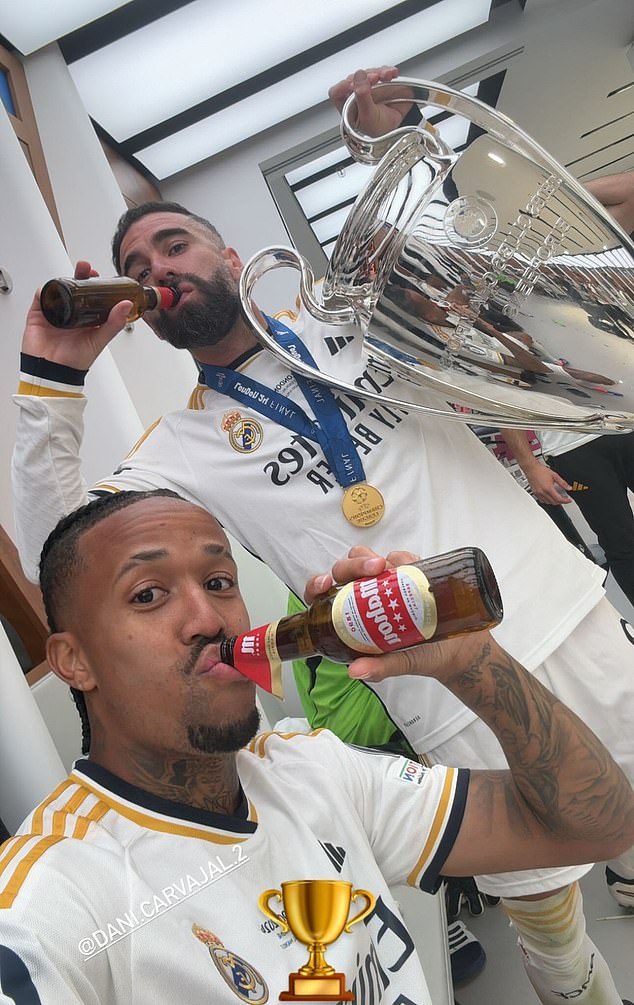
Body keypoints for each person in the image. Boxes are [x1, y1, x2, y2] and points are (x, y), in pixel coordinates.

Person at [10, 66, 634, 1004]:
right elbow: (65, 546)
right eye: (139, 273)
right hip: (445, 679)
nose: (159, 272)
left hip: (565, 610)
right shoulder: (176, 447)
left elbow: (457, 254)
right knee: (547, 915)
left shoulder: (355, 317)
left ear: (227, 252)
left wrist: (376, 143)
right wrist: (47, 387)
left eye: (173, 245)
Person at [1, 490, 633, 1005]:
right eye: (148, 594)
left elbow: (596, 828)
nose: (210, 618)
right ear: (73, 661)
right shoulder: (63, 888)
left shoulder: (310, 767)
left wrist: (472, 661)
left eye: (220, 581)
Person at [500, 427, 634, 607]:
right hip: (571, 447)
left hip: (624, 420)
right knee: (622, 543)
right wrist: (529, 466)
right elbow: (509, 400)